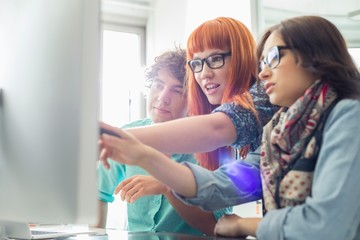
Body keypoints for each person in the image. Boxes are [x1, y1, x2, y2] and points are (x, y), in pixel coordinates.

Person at [101, 15, 360, 239]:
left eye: (273, 58)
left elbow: (326, 225)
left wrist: (242, 225)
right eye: (197, 63)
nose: (263, 74)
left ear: (315, 56)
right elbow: (221, 185)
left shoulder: (348, 116)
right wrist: (142, 154)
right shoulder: (277, 134)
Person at [100, 17, 278, 173]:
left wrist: (109, 137)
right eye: (197, 63)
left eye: (216, 59)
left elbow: (215, 130)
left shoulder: (266, 95)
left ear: (242, 57)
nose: (204, 74)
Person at [96, 47, 231, 236]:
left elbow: (217, 226)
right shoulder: (127, 135)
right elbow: (98, 193)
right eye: (158, 85)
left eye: (178, 91)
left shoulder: (214, 146)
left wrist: (168, 186)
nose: (162, 98)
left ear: (194, 99)